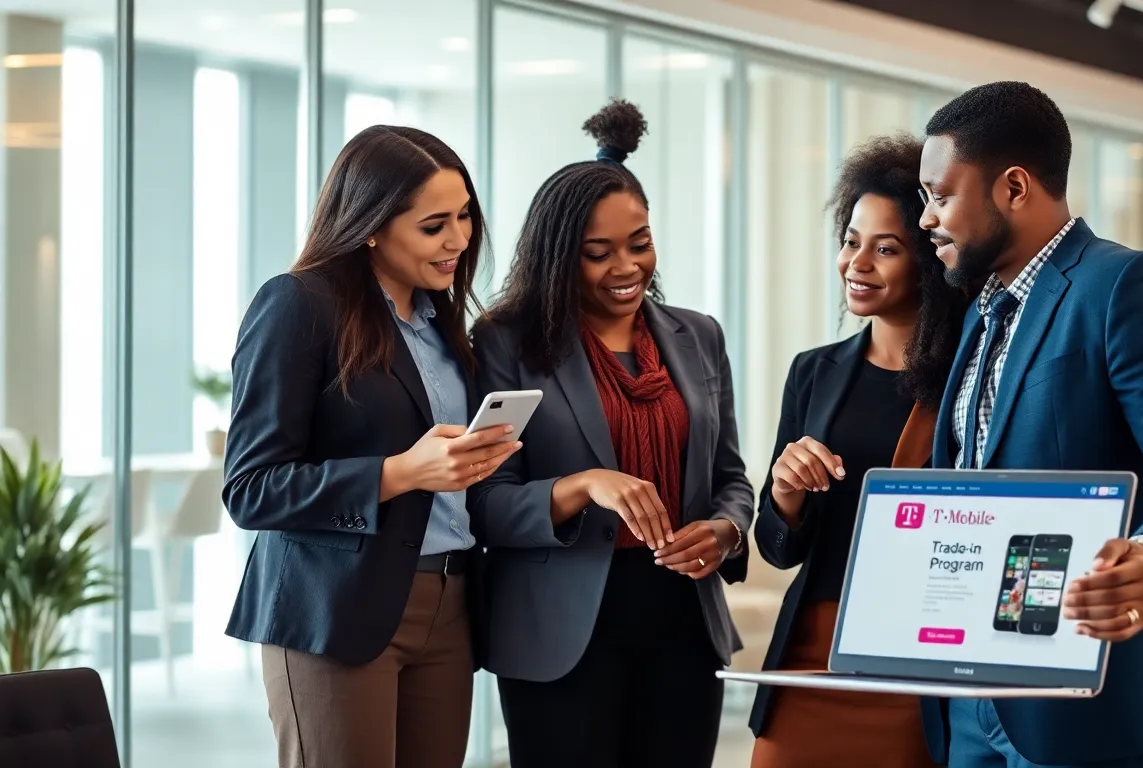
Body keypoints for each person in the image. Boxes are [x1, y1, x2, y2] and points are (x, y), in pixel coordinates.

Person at [917, 80, 1143, 768]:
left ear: (1014, 188)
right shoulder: (981, 312)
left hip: (1085, 692)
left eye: (941, 194)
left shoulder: (1123, 286)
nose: (926, 218)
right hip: (970, 691)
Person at [469, 99, 754, 768]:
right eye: (598, 254)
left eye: (640, 242)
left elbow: (732, 478)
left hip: (684, 624)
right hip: (562, 635)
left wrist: (726, 530)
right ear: (558, 256)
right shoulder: (508, 342)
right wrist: (581, 486)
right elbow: (482, 504)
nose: (626, 267)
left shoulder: (698, 336)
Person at [224, 125, 519, 768]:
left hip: (449, 604)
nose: (459, 240)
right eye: (434, 224)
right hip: (338, 608)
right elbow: (250, 488)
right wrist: (397, 473)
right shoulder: (297, 304)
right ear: (371, 225)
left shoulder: (443, 322)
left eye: (466, 216)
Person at [748, 134, 968, 768]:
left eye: (886, 248)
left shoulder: (970, 377)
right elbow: (777, 546)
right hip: (813, 648)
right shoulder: (813, 372)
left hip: (918, 652)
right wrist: (786, 498)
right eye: (850, 241)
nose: (857, 263)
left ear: (929, 260)